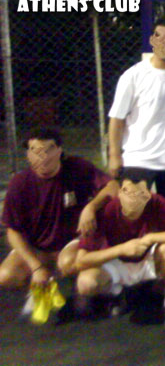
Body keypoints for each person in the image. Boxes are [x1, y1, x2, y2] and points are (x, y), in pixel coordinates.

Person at [0, 128, 117, 317]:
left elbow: (112, 186)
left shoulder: (77, 168)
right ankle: (40, 286)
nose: (42, 156)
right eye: (35, 150)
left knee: (72, 266)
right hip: (37, 247)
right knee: (6, 276)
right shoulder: (19, 184)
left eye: (48, 149)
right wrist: (36, 267)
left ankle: (83, 287)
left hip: (71, 243)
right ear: (28, 155)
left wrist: (91, 207)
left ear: (59, 151)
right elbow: (13, 231)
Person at [75, 175, 165, 331]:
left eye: (139, 194)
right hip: (117, 261)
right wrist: (121, 249)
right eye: (128, 192)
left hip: (148, 259)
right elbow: (80, 260)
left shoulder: (156, 202)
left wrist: (151, 238)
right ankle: (116, 293)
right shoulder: (106, 210)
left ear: (147, 195)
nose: (133, 199)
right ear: (120, 193)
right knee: (85, 283)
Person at [108, 18, 165, 208]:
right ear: (152, 40)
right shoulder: (132, 76)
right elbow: (117, 118)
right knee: (132, 210)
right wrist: (114, 155)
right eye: (160, 38)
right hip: (138, 158)